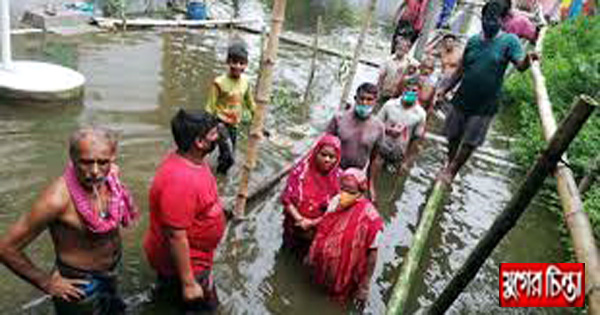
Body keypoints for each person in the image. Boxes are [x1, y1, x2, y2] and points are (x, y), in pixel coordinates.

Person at [0, 127, 138, 314]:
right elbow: (6, 248)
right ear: (72, 158)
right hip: (79, 285)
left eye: (102, 162)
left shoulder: (110, 176)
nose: (95, 171)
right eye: (86, 162)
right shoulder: (56, 200)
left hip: (111, 271)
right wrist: (46, 282)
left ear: (113, 157)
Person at [436, 1, 539, 184]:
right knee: (453, 135)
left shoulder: (509, 41)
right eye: (486, 18)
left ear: (502, 21)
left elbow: (520, 65)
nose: (489, 22)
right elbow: (461, 70)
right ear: (481, 18)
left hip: (485, 103)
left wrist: (528, 60)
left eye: (493, 19)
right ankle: (451, 163)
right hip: (463, 97)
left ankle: (451, 171)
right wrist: (444, 89)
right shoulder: (474, 41)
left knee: (470, 140)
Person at [144, 109, 225, 313]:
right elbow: (175, 236)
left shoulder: (193, 161)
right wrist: (189, 283)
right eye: (214, 133)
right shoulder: (180, 180)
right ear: (199, 142)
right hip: (189, 263)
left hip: (197, 255)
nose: (218, 137)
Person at [307, 168, 383, 310]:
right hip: (324, 264)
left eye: (351, 192)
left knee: (335, 304)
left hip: (346, 271)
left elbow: (372, 254)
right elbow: (324, 226)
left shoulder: (371, 219)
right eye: (343, 189)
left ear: (361, 192)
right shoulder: (336, 201)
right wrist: (311, 253)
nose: (345, 195)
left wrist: (364, 286)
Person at [280, 134, 342, 258]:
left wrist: (312, 223)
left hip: (316, 230)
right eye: (323, 155)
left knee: (306, 256)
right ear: (316, 153)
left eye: (332, 157)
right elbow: (287, 199)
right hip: (293, 224)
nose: (327, 160)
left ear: (338, 158)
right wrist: (300, 219)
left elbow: (336, 210)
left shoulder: (339, 179)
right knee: (285, 251)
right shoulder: (300, 171)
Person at [325, 83, 384, 200]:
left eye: (369, 100)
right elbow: (324, 146)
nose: (365, 103)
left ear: (375, 102)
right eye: (362, 98)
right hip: (334, 171)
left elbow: (374, 159)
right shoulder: (339, 118)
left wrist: (371, 185)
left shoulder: (379, 127)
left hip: (357, 177)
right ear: (355, 99)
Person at [206, 41, 256, 175]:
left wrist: (257, 119)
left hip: (234, 125)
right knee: (230, 158)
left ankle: (217, 175)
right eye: (234, 62)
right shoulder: (219, 82)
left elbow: (250, 102)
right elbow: (210, 107)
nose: (237, 66)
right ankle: (218, 178)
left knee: (226, 154)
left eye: (241, 63)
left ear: (246, 65)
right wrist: (208, 125)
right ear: (228, 62)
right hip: (220, 123)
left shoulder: (245, 82)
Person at [372, 81, 427, 183]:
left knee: (389, 181)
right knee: (373, 174)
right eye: (408, 89)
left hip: (399, 154)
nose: (410, 92)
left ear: (419, 93)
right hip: (381, 148)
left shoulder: (420, 114)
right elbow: (375, 125)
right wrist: (388, 130)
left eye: (414, 90)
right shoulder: (389, 105)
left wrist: (406, 162)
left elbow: (416, 140)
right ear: (403, 90)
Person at [376, 37, 414, 110]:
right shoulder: (388, 60)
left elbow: (419, 71)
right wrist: (378, 92)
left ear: (407, 50)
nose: (401, 48)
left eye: (404, 47)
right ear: (396, 47)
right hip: (386, 93)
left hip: (400, 96)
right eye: (399, 46)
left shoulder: (411, 62)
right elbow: (381, 77)